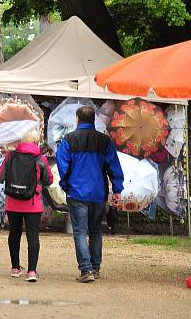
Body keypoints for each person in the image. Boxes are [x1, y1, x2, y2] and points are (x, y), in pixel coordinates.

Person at [56, 106, 124, 283]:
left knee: (79, 232)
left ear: (77, 119)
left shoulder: (68, 140)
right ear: (93, 119)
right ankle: (96, 268)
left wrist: (66, 185)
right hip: (98, 193)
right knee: (95, 232)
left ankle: (86, 270)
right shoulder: (105, 141)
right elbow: (114, 166)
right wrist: (117, 189)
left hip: (77, 193)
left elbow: (63, 166)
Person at [0, 137, 53, 282]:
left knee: (14, 233)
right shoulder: (40, 158)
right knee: (32, 235)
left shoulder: (11, 156)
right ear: (35, 141)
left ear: (21, 141)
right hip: (33, 202)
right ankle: (32, 271)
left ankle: (15, 268)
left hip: (13, 202)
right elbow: (49, 180)